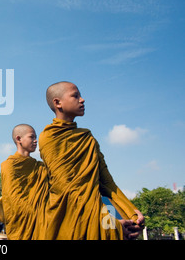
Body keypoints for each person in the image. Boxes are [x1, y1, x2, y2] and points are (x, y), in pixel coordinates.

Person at [38, 81, 145, 240]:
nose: (82, 100)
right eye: (75, 96)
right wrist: (111, 225)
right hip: (65, 219)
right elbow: (67, 191)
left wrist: (132, 213)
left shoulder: (88, 140)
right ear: (57, 102)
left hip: (94, 214)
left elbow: (107, 183)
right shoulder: (49, 138)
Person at [0, 124, 50, 240]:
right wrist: (39, 215)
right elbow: (13, 198)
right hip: (22, 224)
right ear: (19, 139)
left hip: (43, 223)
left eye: (35, 137)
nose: (35, 140)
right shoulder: (9, 165)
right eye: (31, 137)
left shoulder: (40, 167)